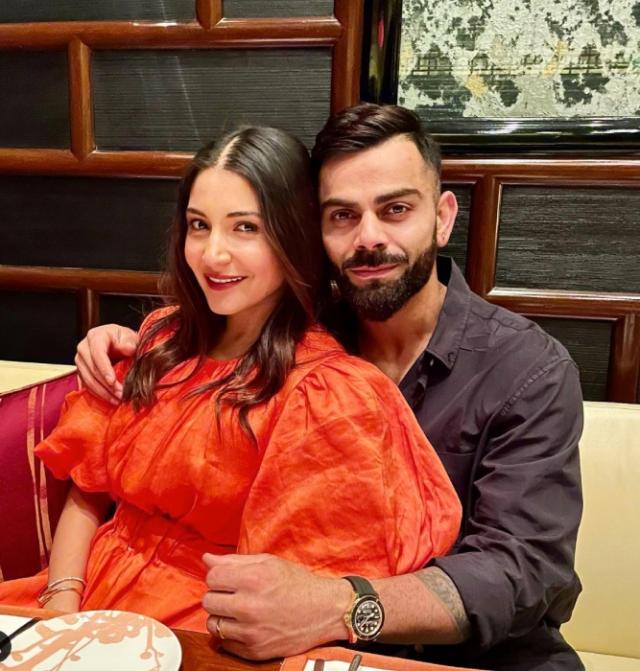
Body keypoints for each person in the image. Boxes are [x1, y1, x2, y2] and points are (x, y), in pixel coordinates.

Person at [75, 105, 584, 670]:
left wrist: (344, 606)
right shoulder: (294, 333)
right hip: (304, 651)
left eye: (395, 210)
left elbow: (522, 569)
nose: (369, 238)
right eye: (342, 215)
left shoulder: (526, 368)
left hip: (482, 657)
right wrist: (127, 346)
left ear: (442, 218)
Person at [0, 125, 461, 632]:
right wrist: (61, 605)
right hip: (85, 595)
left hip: (203, 627)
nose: (213, 254)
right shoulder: (159, 337)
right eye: (199, 225)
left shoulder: (326, 392)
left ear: (293, 237)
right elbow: (89, 488)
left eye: (245, 228)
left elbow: (296, 591)